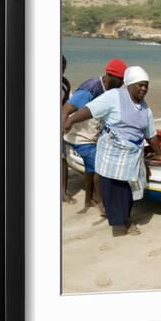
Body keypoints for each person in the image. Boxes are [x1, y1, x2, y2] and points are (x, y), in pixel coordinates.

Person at [64, 66, 161, 236]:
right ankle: (119, 223)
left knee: (127, 190)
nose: (144, 89)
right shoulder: (114, 96)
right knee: (113, 188)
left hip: (132, 154)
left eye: (146, 85)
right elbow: (91, 109)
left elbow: (151, 135)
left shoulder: (145, 109)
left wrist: (160, 154)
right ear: (129, 84)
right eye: (140, 85)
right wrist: (71, 120)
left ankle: (125, 219)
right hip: (112, 152)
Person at [62, 58, 128, 213]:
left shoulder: (111, 90)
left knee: (92, 167)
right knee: (99, 165)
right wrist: (63, 126)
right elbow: (66, 109)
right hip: (79, 137)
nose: (122, 84)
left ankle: (89, 199)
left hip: (93, 136)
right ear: (111, 76)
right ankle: (101, 202)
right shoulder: (91, 88)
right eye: (121, 80)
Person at [61, 55, 76, 204]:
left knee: (62, 158)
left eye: (62, 67)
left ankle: (63, 193)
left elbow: (65, 106)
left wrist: (65, 123)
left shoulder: (65, 83)